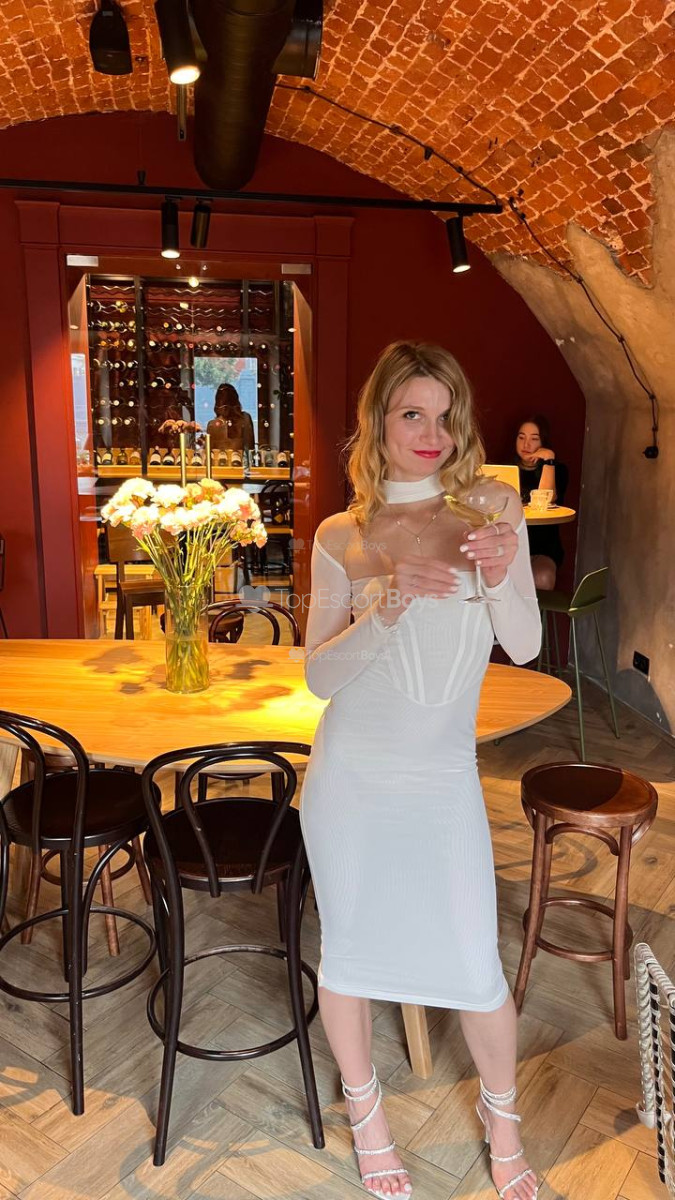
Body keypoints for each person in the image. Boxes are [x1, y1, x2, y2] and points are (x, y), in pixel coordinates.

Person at [300, 342, 541, 1200]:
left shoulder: (490, 507)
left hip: (441, 779)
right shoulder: (342, 534)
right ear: (379, 422)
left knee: (476, 963)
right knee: (348, 954)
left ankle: (502, 1126)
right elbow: (318, 676)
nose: (431, 432)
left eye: (444, 415)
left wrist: (503, 574)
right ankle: (366, 1116)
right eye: (412, 414)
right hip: (349, 781)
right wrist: (385, 604)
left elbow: (524, 644)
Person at [515, 416, 569, 591]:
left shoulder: (558, 470)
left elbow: (548, 498)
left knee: (542, 577)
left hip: (543, 545)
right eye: (521, 437)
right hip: (511, 543)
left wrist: (548, 461)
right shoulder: (506, 469)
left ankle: (537, 610)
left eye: (534, 438)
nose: (526, 444)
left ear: (543, 441)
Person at [206, 383, 255, 457]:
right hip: (240, 462)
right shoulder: (245, 419)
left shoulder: (213, 425)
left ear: (218, 402)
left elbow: (210, 454)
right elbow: (250, 449)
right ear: (236, 400)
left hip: (219, 463)